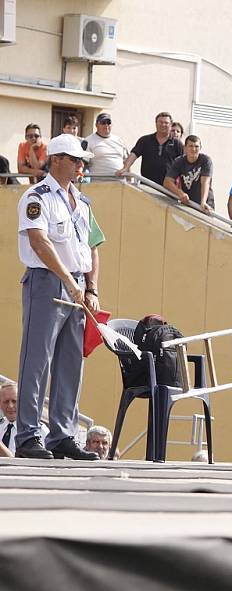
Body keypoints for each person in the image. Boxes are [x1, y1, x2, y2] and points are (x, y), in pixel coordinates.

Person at [15, 134, 104, 460]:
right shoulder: (36, 196)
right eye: (75, 159)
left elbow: (93, 247)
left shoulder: (82, 201)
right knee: (37, 361)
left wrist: (91, 288)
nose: (81, 165)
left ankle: (62, 434)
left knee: (70, 363)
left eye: (82, 160)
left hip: (77, 286)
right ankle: (28, 435)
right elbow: (39, 242)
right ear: (56, 160)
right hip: (48, 282)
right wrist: (69, 281)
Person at [117, 112, 184, 185]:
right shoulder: (145, 140)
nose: (163, 125)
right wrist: (126, 168)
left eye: (166, 123)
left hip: (168, 187)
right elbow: (134, 154)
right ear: (156, 123)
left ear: (170, 125)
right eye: (160, 122)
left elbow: (183, 163)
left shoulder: (177, 144)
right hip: (147, 184)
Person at [164, 135, 215, 214]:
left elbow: (205, 182)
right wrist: (180, 193)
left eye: (196, 146)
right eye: (190, 146)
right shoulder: (179, 161)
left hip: (205, 206)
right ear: (185, 148)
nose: (193, 149)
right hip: (188, 204)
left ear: (200, 148)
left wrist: (203, 202)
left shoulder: (205, 160)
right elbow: (167, 182)